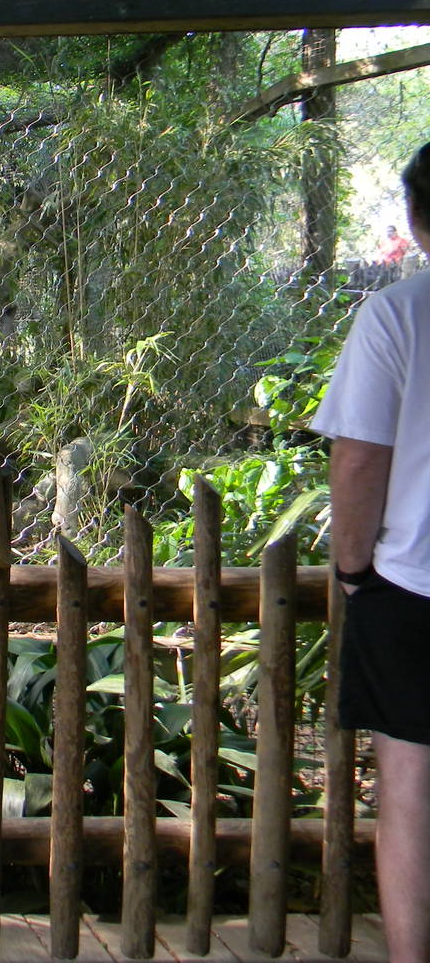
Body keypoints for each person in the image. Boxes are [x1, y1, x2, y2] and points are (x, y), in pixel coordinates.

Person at [311, 141, 430, 963]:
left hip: (412, 587)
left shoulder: (399, 312)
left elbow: (357, 458)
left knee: (410, 797)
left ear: (418, 218)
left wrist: (354, 568)